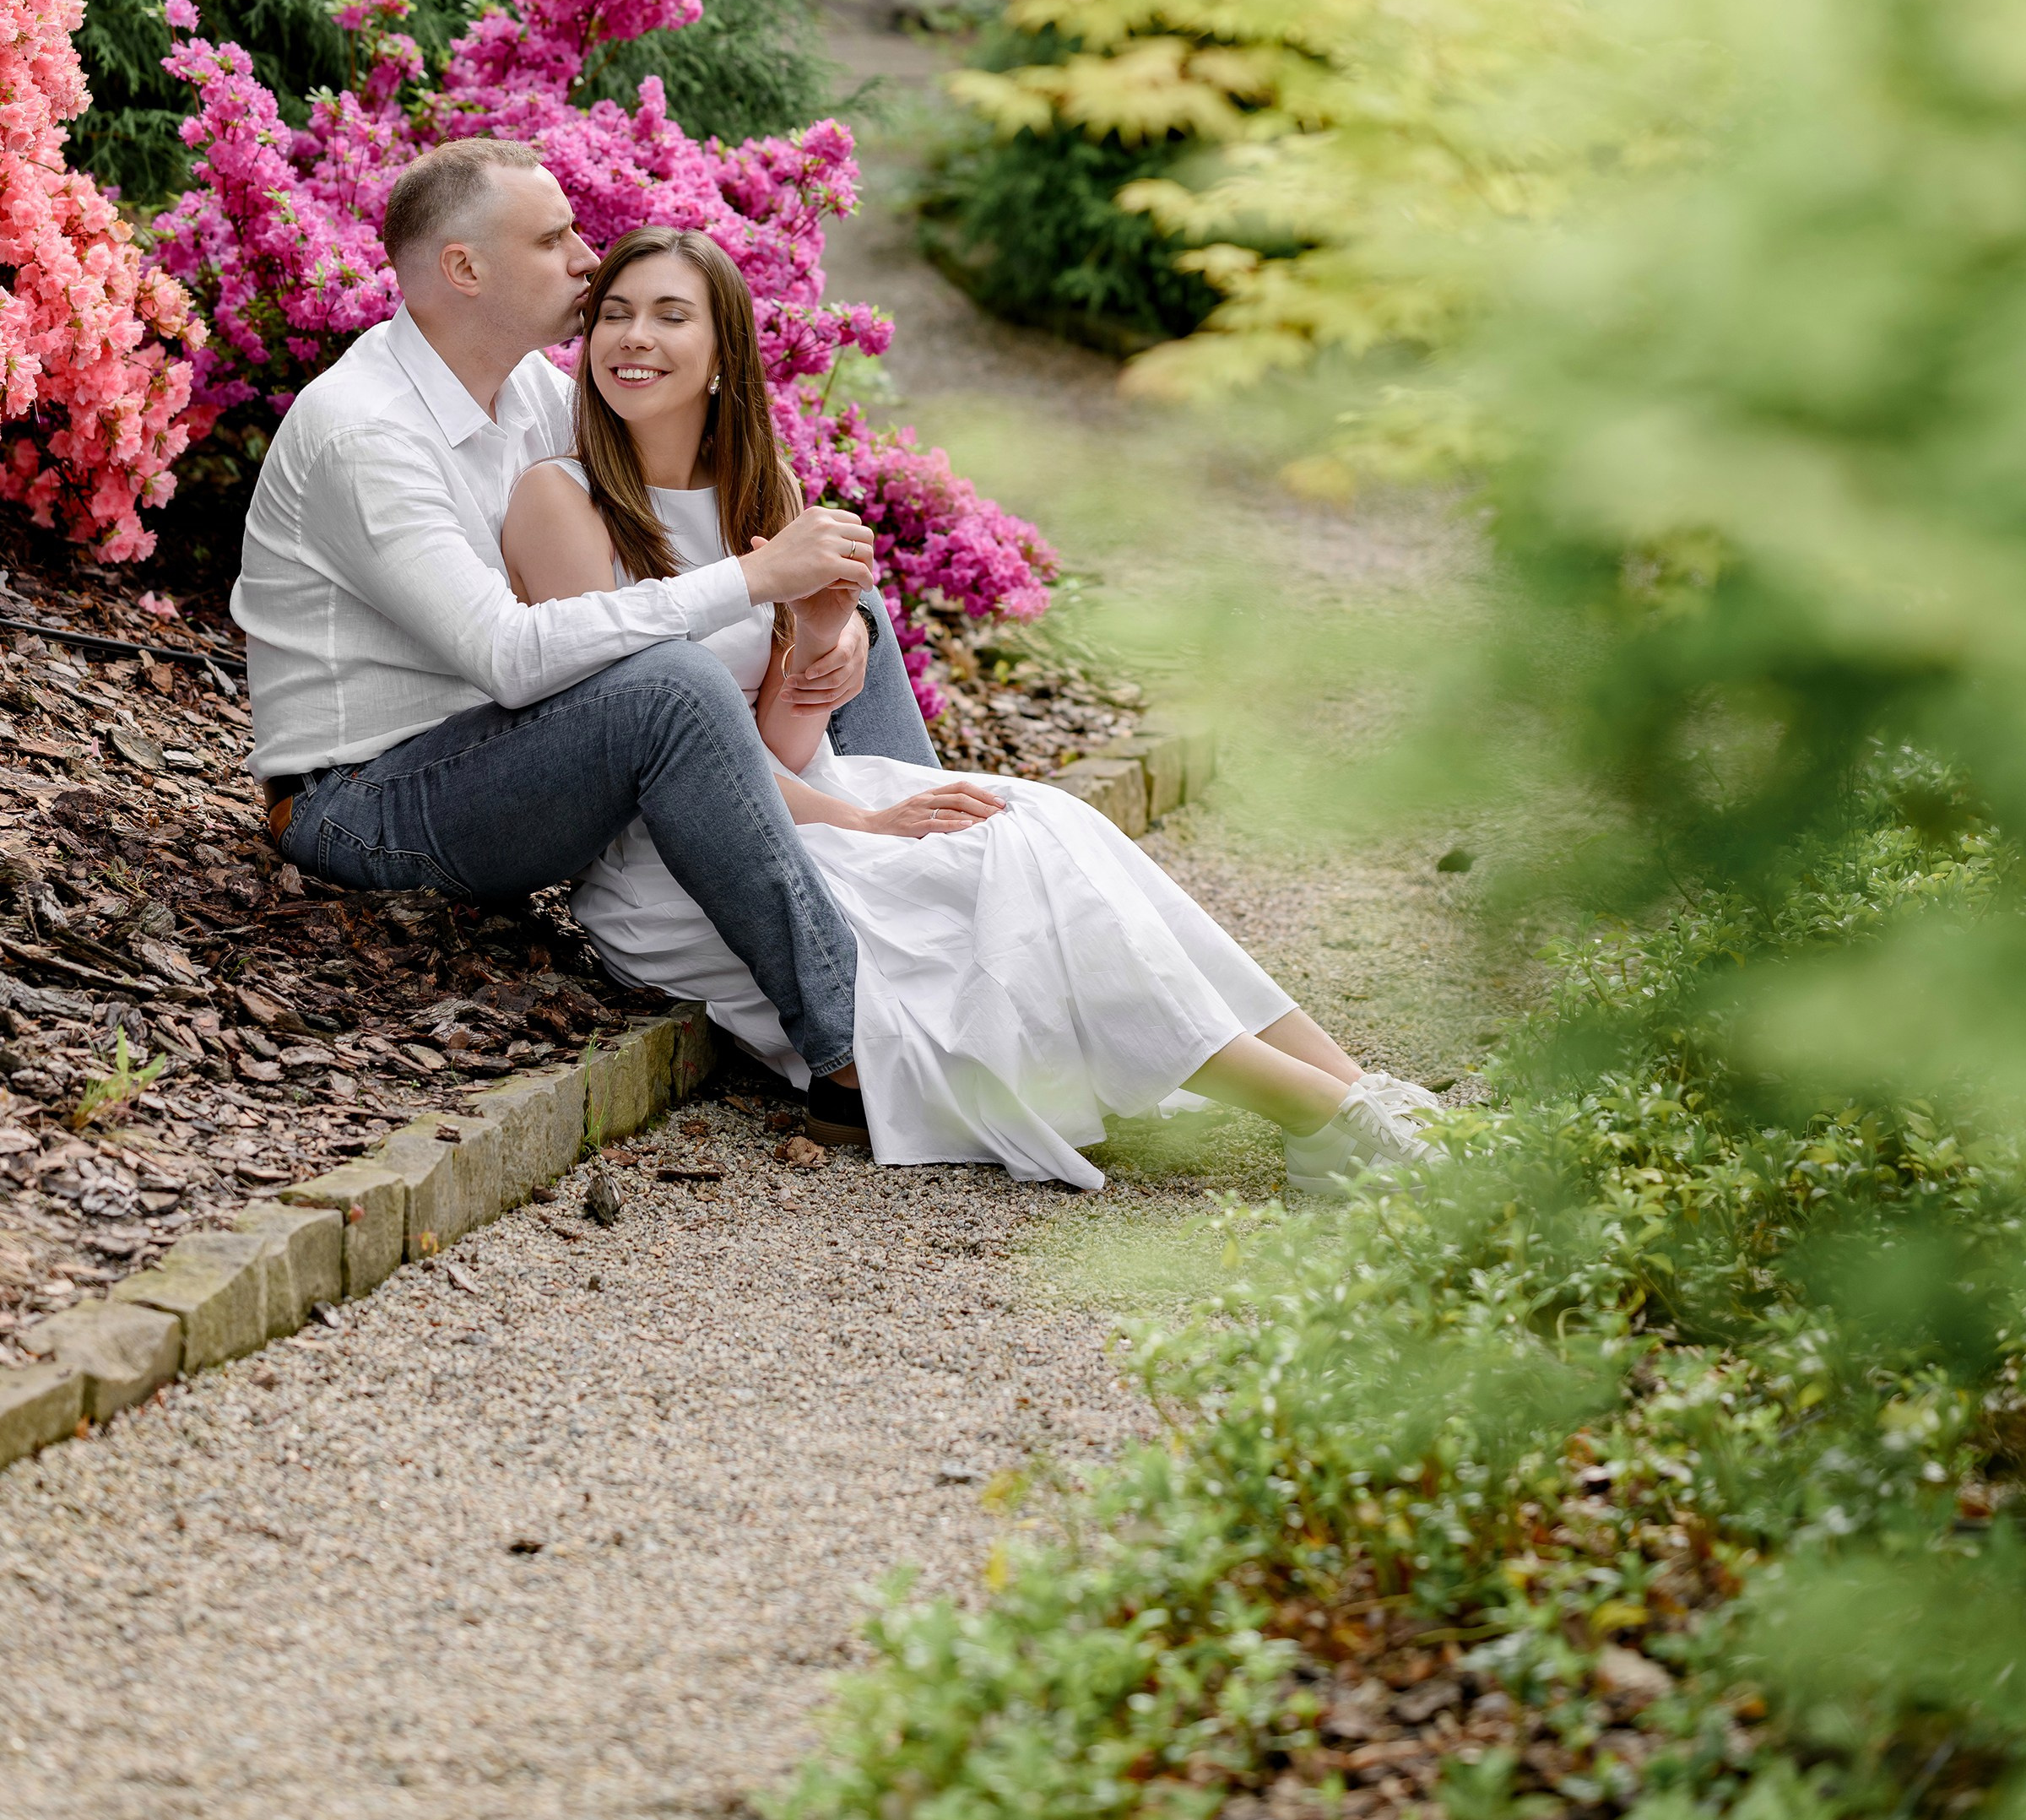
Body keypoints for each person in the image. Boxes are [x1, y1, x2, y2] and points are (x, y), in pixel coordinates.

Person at [501, 223, 1439, 1193]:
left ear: (720, 356)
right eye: (614, 315)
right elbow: (661, 758)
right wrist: (864, 820)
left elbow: (779, 735)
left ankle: (1352, 1091)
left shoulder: (765, 490)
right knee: (999, 875)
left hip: (799, 795)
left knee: (1044, 823)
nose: (633, 338)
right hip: (688, 864)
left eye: (668, 316)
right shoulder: (561, 502)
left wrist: (820, 639)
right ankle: (1327, 1117)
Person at [234, 138, 934, 1113]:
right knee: (674, 683)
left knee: (844, 594)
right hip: (363, 802)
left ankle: (940, 874)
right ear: (465, 268)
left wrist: (820, 614)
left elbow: (692, 495)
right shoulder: (364, 432)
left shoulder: (526, 390)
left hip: (508, 758)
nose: (587, 259)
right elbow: (512, 659)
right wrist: (754, 577)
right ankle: (849, 1045)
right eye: (555, 238)